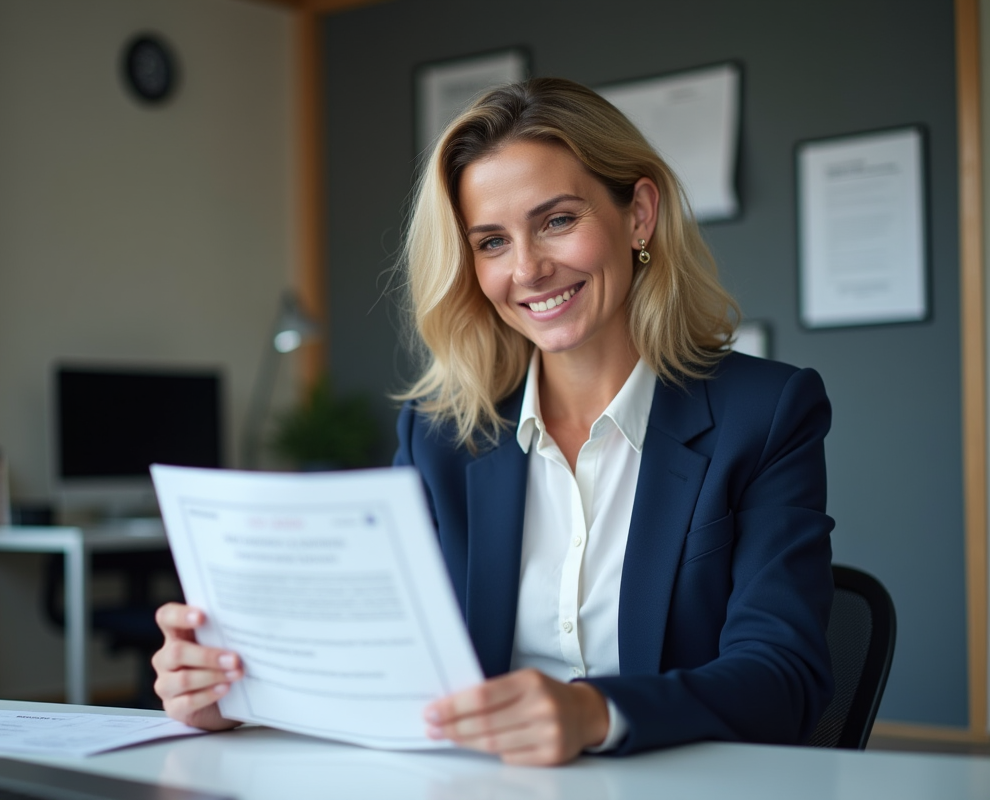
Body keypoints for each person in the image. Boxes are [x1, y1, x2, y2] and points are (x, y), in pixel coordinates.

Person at [152, 77, 834, 765]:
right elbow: (380, 657)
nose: (528, 269)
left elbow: (785, 678)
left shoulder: (765, 414)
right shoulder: (439, 435)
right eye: (491, 242)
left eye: (558, 221)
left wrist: (598, 713)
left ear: (639, 215)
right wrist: (238, 691)